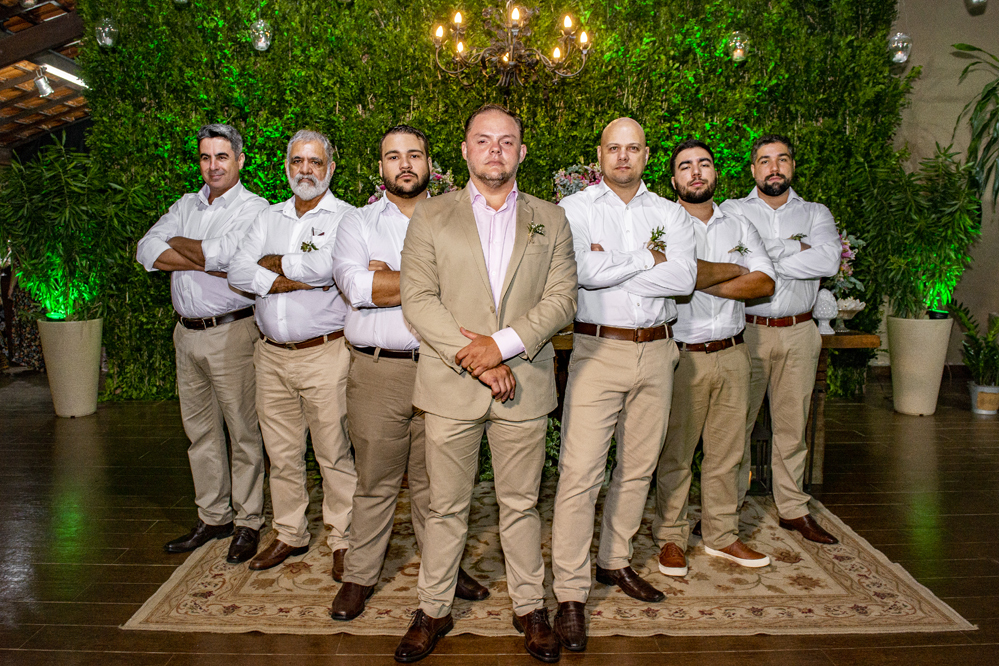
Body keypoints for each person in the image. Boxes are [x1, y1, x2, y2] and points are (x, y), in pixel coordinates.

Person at [394, 104, 577, 664]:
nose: (495, 150)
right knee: (445, 507)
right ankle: (433, 607)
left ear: (521, 153)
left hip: (522, 381)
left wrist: (502, 346)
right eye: (483, 140)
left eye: (506, 141)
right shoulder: (431, 216)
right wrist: (477, 359)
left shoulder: (553, 218)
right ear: (466, 151)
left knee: (521, 504)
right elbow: (417, 299)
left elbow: (562, 301)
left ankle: (530, 608)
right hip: (451, 387)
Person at [328, 125, 489, 621]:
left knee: (439, 484)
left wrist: (391, 274)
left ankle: (444, 568)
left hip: (444, 367)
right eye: (392, 156)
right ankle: (359, 575)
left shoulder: (457, 218)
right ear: (380, 167)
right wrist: (430, 279)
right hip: (379, 372)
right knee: (375, 481)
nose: (404, 164)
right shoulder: (357, 222)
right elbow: (358, 287)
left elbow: (477, 286)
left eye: (413, 155)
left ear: (429, 162)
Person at [548, 118, 697, 653]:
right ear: (600, 153)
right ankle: (569, 593)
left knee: (638, 466)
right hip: (597, 350)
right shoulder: (575, 210)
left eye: (633, 149)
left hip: (659, 350)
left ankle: (613, 562)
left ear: (647, 154)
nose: (624, 157)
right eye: (614, 148)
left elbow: (682, 279)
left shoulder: (670, 213)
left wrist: (615, 265)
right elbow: (582, 272)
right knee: (580, 473)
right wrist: (644, 259)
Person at [136, 124, 269, 564]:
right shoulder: (186, 204)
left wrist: (181, 248)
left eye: (222, 157)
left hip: (232, 331)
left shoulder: (255, 209)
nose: (213, 166)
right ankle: (214, 516)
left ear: (240, 160)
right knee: (200, 434)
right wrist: (202, 254)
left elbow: (233, 261)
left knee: (243, 432)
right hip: (186, 334)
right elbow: (145, 250)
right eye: (206, 157)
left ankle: (249, 521)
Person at [228, 130, 358, 573]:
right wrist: (293, 274)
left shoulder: (346, 218)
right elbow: (238, 272)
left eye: (315, 162)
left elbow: (329, 268)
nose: (306, 170)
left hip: (325, 353)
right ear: (287, 166)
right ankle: (290, 534)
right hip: (269, 356)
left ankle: (344, 539)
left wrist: (272, 264)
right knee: (280, 453)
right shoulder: (267, 217)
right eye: (298, 161)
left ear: (330, 169)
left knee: (334, 452)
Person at [654, 139, 776, 581]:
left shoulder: (739, 224)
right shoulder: (661, 224)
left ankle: (722, 533)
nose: (696, 172)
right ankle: (670, 535)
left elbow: (764, 284)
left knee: (728, 453)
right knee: (677, 453)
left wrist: (696, 276)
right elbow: (666, 277)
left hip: (733, 353)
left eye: (703, 164)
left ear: (715, 173)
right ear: (674, 179)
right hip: (681, 356)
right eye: (685, 167)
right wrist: (732, 270)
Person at [720, 134, 841, 544]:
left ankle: (792, 509)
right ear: (752, 169)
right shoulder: (732, 210)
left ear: (792, 166)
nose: (774, 167)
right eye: (765, 160)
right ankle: (725, 512)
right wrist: (795, 249)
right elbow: (732, 263)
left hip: (800, 333)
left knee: (793, 427)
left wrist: (765, 258)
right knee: (735, 427)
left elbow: (828, 258)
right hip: (746, 333)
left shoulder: (815, 212)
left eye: (782, 159)